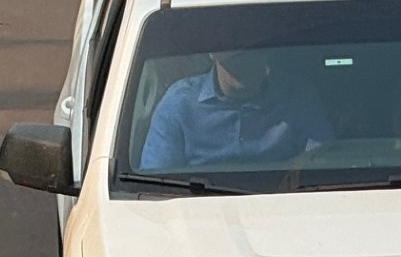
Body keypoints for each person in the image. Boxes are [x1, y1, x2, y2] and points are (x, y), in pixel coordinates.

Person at [139, 50, 334, 171]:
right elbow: (155, 178)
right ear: (214, 55)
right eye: (235, 55)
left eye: (252, 51)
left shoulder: (297, 96)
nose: (244, 61)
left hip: (287, 207)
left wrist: (300, 168)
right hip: (198, 213)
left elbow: (323, 161)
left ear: (266, 55)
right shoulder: (179, 103)